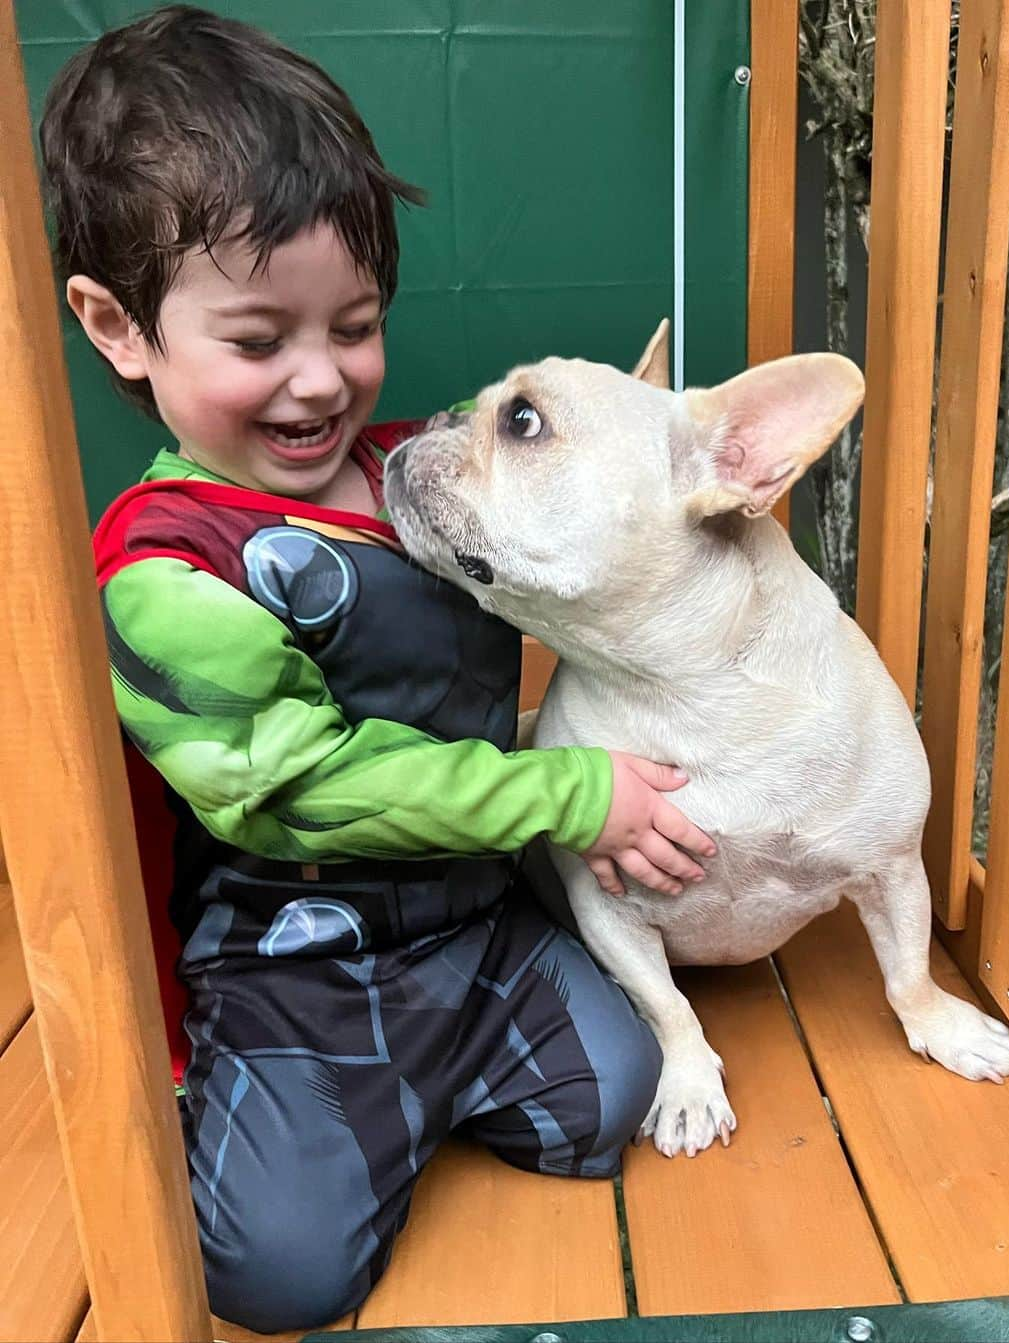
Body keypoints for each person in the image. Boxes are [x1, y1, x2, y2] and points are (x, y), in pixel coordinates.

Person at [41, 6, 715, 1332]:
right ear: (119, 327)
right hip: (302, 960)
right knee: (278, 1272)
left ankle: (419, 1092)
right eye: (257, 341)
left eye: (353, 324)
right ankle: (273, 1104)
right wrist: (577, 795)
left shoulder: (421, 473)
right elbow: (300, 790)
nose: (318, 380)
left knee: (615, 1087)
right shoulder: (169, 571)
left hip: (477, 927)